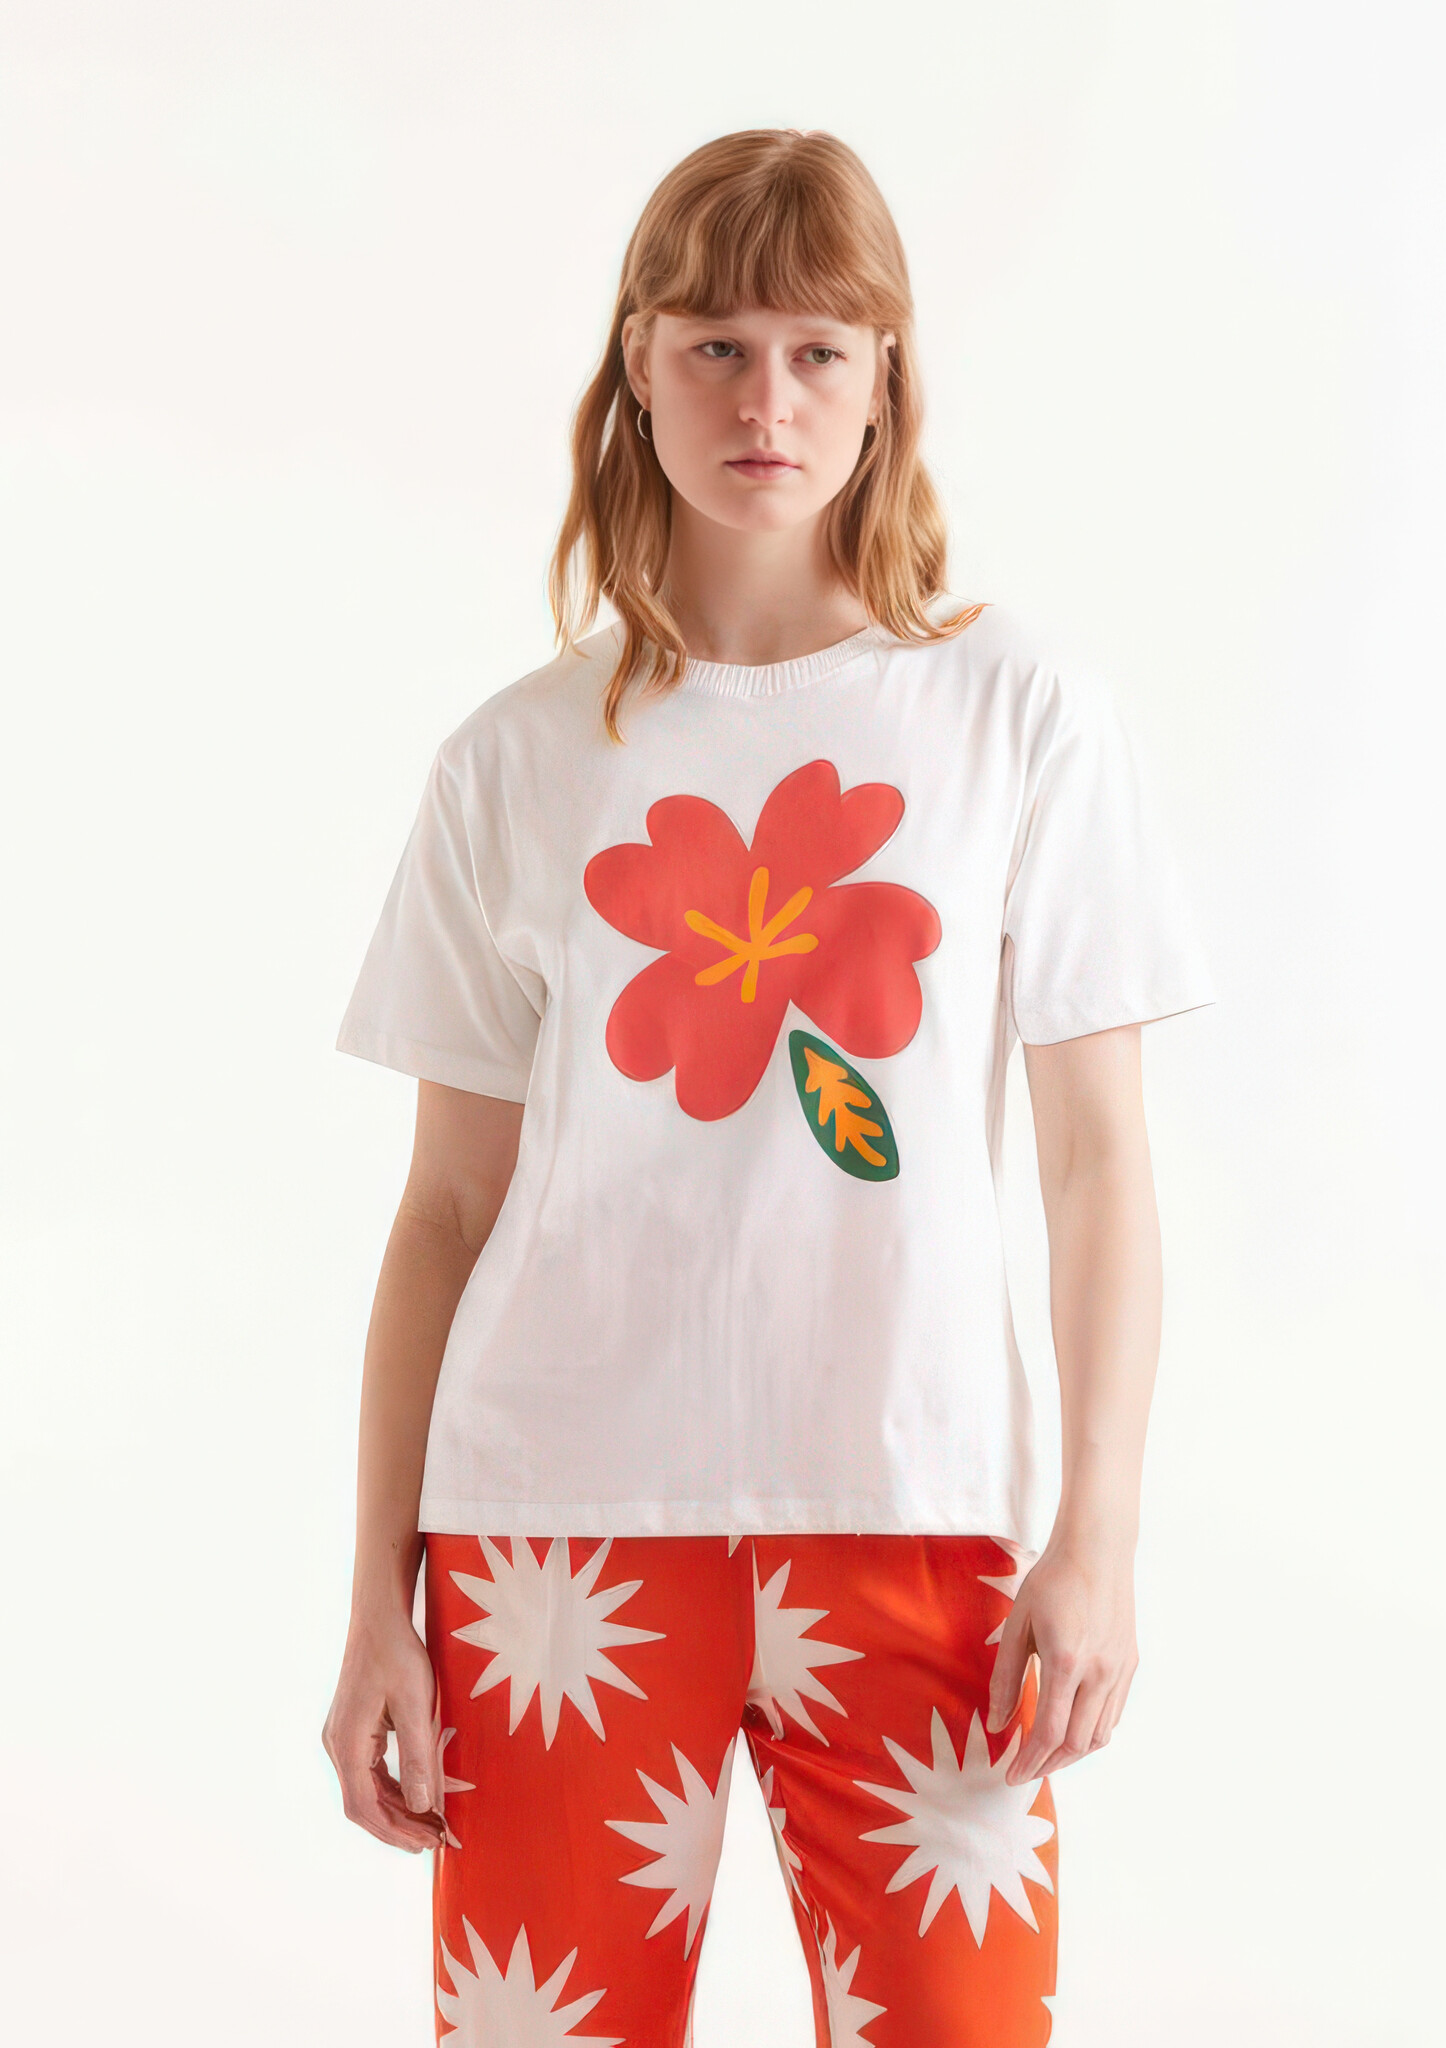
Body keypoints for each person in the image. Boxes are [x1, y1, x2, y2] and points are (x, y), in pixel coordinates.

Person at [322, 127, 1214, 2047]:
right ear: (636, 368)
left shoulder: (1018, 714)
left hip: (922, 1526)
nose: (766, 400)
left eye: (819, 349)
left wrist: (1100, 1535)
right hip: (553, 1541)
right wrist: (376, 1603)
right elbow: (445, 1215)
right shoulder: (514, 761)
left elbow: (1099, 1169)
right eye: (716, 346)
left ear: (887, 376)